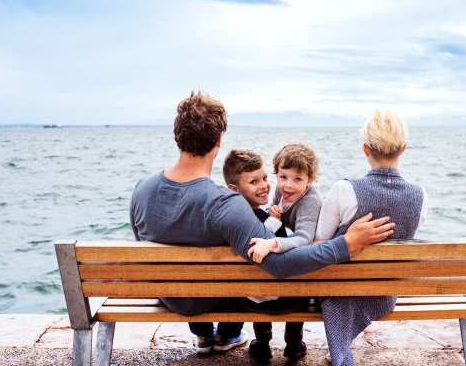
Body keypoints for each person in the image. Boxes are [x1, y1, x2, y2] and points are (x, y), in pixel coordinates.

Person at [129, 91, 396, 355]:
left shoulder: (142, 189)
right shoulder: (226, 204)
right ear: (220, 139)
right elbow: (278, 266)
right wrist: (346, 244)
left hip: (167, 295)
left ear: (177, 134)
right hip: (209, 297)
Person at [314, 109, 427, 366]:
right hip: (384, 294)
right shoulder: (421, 196)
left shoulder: (344, 190)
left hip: (339, 291)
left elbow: (319, 242)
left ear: (365, 149)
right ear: (403, 148)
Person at [223, 145, 322, 361]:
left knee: (260, 275)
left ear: (311, 180)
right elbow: (273, 227)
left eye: (298, 179)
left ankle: (265, 342)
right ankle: (293, 344)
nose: (287, 185)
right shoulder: (279, 191)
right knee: (296, 276)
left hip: (253, 298)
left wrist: (271, 239)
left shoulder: (311, 202)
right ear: (278, 172)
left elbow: (302, 238)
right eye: (283, 176)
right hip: (289, 298)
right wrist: (273, 217)